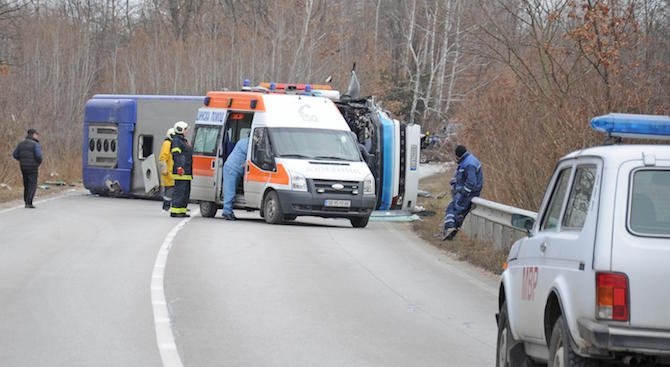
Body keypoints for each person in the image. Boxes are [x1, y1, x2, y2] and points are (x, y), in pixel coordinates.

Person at [442, 144, 483, 240]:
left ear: (458, 155)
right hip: (467, 192)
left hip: (468, 194)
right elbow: (463, 177)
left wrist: (463, 192)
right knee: (456, 211)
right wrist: (455, 182)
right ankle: (451, 231)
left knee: (452, 209)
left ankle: (450, 228)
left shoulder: (469, 164)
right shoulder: (467, 160)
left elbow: (471, 182)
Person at [12, 128, 43, 208]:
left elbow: (15, 154)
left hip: (23, 166)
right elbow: (39, 156)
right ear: (33, 135)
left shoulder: (21, 144)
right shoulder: (35, 144)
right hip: (33, 167)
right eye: (37, 135)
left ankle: (26, 200)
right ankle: (29, 203)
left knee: (26, 184)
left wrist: (21, 160)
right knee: (32, 184)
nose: (37, 136)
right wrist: (38, 162)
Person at [221, 137, 249, 220]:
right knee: (230, 192)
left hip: (235, 169)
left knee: (231, 191)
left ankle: (229, 211)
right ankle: (227, 212)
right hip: (232, 169)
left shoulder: (244, 142)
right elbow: (250, 153)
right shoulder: (246, 143)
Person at [170, 121, 193, 218]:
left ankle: (182, 210)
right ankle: (175, 211)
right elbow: (177, 156)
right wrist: (179, 167)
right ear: (181, 129)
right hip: (181, 171)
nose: (187, 131)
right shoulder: (177, 141)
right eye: (186, 129)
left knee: (185, 192)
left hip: (186, 171)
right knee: (180, 191)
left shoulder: (183, 141)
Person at [159, 128, 175, 212]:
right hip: (168, 171)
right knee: (170, 189)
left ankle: (168, 206)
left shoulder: (171, 144)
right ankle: (166, 207)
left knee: (170, 189)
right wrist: (164, 170)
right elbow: (163, 157)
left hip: (170, 171)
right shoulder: (167, 144)